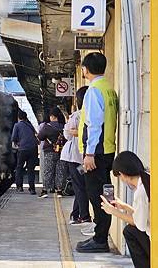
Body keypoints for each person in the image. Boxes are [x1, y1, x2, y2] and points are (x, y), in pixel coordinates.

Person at [76, 52, 119, 253]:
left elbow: (94, 125)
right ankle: (100, 235)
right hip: (108, 150)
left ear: (85, 69)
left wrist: (89, 154)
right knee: (105, 193)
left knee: (97, 196)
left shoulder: (93, 91)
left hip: (97, 153)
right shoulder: (109, 89)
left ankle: (100, 239)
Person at [101, 151, 150, 268]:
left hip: (156, 239)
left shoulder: (141, 191)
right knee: (130, 230)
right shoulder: (148, 179)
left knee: (130, 231)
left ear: (123, 174)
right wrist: (123, 206)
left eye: (119, 177)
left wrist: (113, 211)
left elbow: (140, 225)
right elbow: (144, 215)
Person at [62, 87, 92, 224]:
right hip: (85, 156)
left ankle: (84, 215)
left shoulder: (76, 115)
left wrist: (75, 131)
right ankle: (75, 214)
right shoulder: (92, 113)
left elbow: (67, 135)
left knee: (79, 186)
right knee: (82, 185)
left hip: (74, 156)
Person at [37, 107, 66, 198]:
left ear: (52, 116)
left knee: (48, 170)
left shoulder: (47, 127)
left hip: (49, 151)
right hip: (61, 152)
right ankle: (59, 191)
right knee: (60, 171)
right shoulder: (63, 126)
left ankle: (45, 190)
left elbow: (40, 137)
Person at [11, 110, 39, 194]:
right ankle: (32, 189)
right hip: (33, 149)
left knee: (19, 168)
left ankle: (19, 187)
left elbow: (13, 138)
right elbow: (35, 135)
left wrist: (16, 146)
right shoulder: (30, 126)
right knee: (31, 169)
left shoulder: (17, 125)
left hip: (22, 149)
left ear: (18, 118)